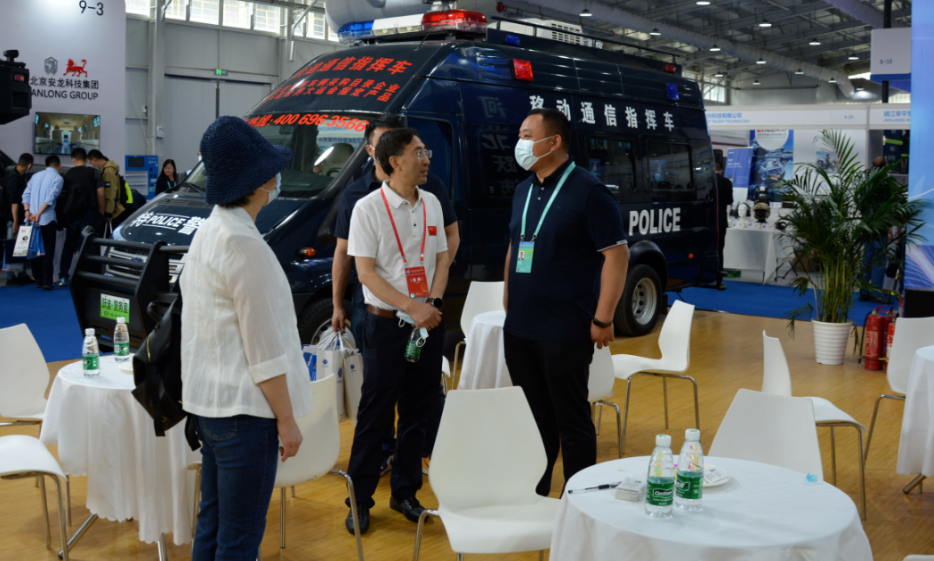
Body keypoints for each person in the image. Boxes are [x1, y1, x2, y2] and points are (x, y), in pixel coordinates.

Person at [181, 116, 312, 561]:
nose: (277, 175)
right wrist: (287, 420)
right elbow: (264, 348)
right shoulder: (244, 244)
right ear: (259, 181)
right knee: (239, 540)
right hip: (246, 412)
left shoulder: (210, 231)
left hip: (211, 406)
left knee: (213, 527)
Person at [503, 108, 629, 497]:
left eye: (527, 136)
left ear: (553, 141)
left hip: (564, 327)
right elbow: (515, 245)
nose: (520, 143)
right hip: (520, 326)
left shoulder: (589, 191)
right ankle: (534, 495)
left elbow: (617, 255)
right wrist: (508, 296)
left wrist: (603, 319)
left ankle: (579, 502)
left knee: (571, 420)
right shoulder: (524, 189)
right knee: (533, 419)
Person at [331, 114, 459, 476]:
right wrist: (410, 307)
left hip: (426, 320)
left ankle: (409, 485)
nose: (425, 159)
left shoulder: (432, 197)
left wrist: (431, 304)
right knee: (377, 406)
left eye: (425, 151)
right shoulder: (362, 203)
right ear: (391, 160)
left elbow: (444, 253)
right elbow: (358, 266)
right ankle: (364, 489)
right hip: (383, 320)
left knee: (420, 406)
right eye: (418, 153)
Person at [56, 148, 105, 286]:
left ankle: (63, 276)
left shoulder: (68, 174)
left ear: (73, 159)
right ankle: (86, 278)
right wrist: (101, 212)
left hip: (72, 216)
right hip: (89, 213)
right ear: (86, 159)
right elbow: (101, 194)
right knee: (87, 246)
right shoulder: (94, 173)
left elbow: (62, 195)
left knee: (69, 246)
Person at [22, 156, 65, 290]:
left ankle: (38, 280)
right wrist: (39, 213)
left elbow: (26, 195)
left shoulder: (35, 176)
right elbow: (51, 198)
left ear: (46, 165)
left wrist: (27, 211)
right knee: (48, 251)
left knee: (34, 250)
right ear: (59, 165)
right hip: (47, 219)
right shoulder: (58, 178)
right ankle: (47, 282)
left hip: (31, 220)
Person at [4, 153, 34, 286]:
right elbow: (14, 202)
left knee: (21, 248)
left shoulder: (19, 177)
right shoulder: (14, 179)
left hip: (19, 219)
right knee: (12, 247)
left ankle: (21, 274)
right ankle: (11, 277)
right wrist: (15, 221)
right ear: (29, 165)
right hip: (14, 220)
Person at [87, 149, 127, 228]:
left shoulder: (108, 171)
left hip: (114, 211)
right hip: (113, 209)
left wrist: (108, 212)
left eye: (91, 163)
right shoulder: (106, 169)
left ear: (94, 159)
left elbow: (110, 193)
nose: (93, 166)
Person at [715, 160, 734, 290]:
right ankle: (718, 280)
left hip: (705, 221)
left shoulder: (704, 181)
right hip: (720, 221)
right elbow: (729, 200)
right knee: (719, 250)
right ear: (721, 170)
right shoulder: (726, 182)